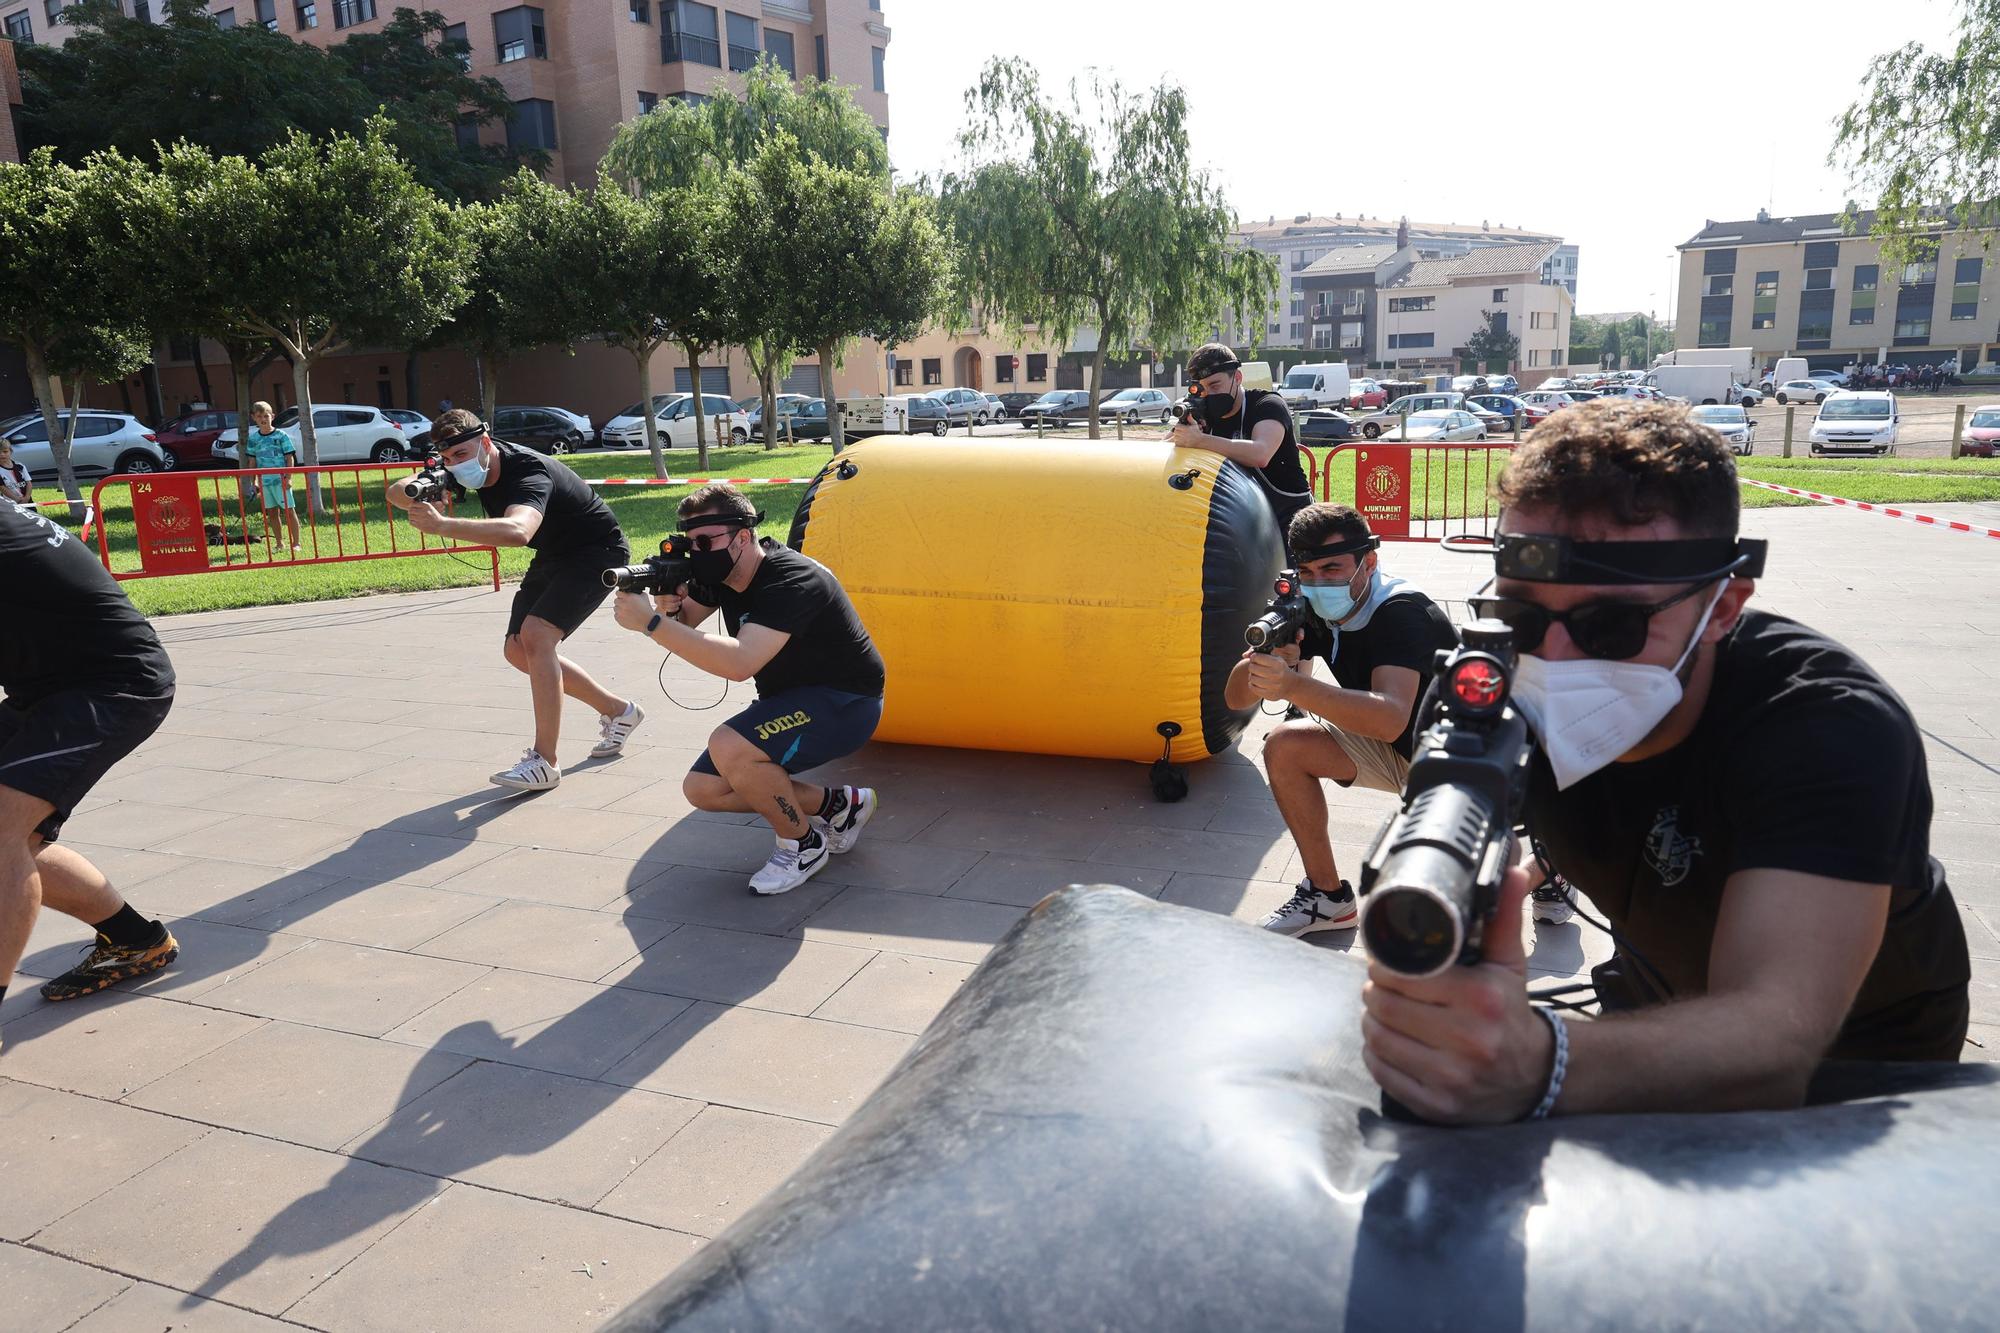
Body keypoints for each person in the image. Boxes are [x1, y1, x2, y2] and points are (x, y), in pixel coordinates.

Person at [1360, 398, 1972, 1125]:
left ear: (1720, 608)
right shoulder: (1495, 682)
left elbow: (1774, 1032)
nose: (1552, 659)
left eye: (1610, 624)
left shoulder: (1828, 726)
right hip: (1653, 986)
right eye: (1523, 616)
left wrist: (1538, 1061)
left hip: (1857, 1067)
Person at [611, 483, 884, 896]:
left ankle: (802, 843)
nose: (697, 550)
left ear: (742, 537)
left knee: (730, 745)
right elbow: (684, 627)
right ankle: (838, 807)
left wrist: (651, 623)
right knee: (703, 789)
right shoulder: (722, 572)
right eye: (690, 542)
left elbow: (739, 663)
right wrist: (669, 606)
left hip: (844, 702)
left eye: (705, 541)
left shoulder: (792, 579)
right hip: (789, 700)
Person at [1226, 503, 1456, 937]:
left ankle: (1549, 869)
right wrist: (1267, 657)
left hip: (1462, 764)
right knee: (1285, 744)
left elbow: (1389, 718)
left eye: (1332, 567)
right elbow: (1235, 696)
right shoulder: (1316, 605)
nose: (1319, 582)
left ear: (1369, 562)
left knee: (1435, 924)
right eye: (1307, 571)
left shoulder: (1401, 613)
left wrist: (1293, 686)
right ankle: (1328, 898)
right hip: (1400, 748)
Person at [384, 410, 643, 791]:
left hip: (597, 551)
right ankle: (619, 712)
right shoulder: (458, 469)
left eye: (463, 454)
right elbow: (392, 494)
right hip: (555, 553)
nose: (458, 464)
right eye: (450, 458)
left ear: (485, 443)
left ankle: (545, 762)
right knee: (518, 650)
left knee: (537, 637)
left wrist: (443, 525)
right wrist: (420, 484)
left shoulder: (527, 471)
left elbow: (519, 530)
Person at [1, 495, 181, 1038]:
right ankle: (132, 939)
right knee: (18, 836)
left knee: (1, 834)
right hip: (53, 689)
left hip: (113, 686)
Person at [1168, 343, 1315, 544]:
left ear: (1237, 378)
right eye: (1202, 388)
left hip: (1289, 521)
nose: (1209, 394)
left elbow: (1260, 454)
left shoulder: (1268, 404)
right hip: (1241, 521)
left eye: (1215, 385)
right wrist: (1184, 433)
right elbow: (1166, 447)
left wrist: (1201, 440)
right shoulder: (1201, 411)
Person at [243, 401, 303, 554]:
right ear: (254, 418)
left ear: (272, 416)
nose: (263, 419)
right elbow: (252, 461)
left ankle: (296, 543)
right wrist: (254, 481)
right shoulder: (253, 439)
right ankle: (279, 542)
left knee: (289, 511)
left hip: (280, 480)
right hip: (265, 482)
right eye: (259, 416)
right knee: (272, 513)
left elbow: (290, 458)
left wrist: (288, 478)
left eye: (266, 416)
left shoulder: (281, 435)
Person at [0, 440, 30, 505]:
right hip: (10, 502)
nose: (2, 454)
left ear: (11, 451)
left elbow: (29, 483)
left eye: (5, 451)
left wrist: (27, 497)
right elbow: (2, 488)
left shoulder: (20, 466)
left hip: (27, 500)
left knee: (32, 514)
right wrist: (17, 499)